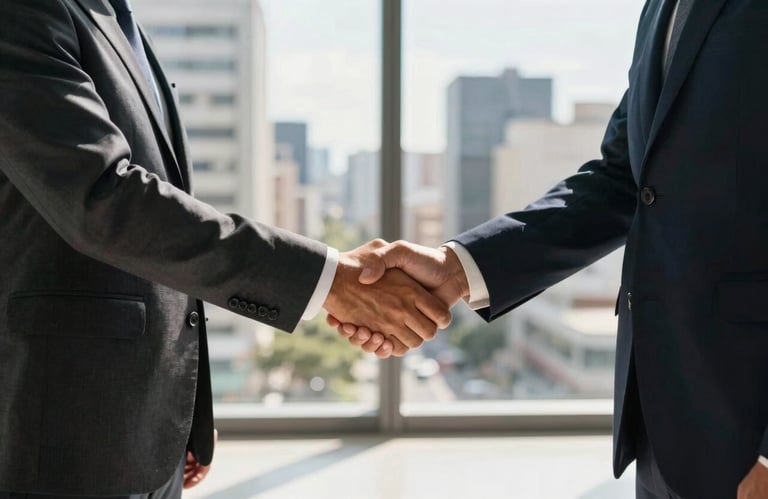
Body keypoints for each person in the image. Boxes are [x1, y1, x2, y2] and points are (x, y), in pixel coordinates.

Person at [0, 0, 450, 497]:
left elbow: (160, 237)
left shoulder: (117, 19)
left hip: (141, 430)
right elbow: (104, 201)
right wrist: (331, 281)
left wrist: (182, 412)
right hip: (58, 437)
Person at [333, 1, 768, 498]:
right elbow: (623, 181)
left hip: (749, 421)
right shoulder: (660, 9)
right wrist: (456, 268)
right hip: (663, 425)